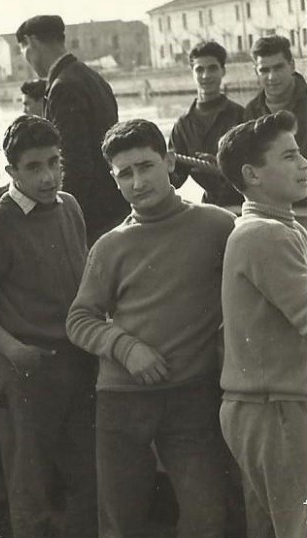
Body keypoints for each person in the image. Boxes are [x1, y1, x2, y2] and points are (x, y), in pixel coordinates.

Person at [66, 119, 236, 538]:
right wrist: (126, 348)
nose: (138, 182)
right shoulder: (110, 246)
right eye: (125, 173)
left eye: (146, 166)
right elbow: (80, 318)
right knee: (121, 520)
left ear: (170, 162)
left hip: (191, 397)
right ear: (114, 179)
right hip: (122, 400)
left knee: (208, 518)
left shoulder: (218, 226)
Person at [0, 115, 97, 538]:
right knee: (29, 487)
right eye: (34, 167)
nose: (49, 176)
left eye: (55, 162)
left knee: (88, 477)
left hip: (79, 361)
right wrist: (13, 350)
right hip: (29, 371)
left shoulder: (69, 206)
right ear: (12, 171)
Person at [216, 110, 307, 538]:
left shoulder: (279, 227)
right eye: (289, 156)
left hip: (270, 404)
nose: (304, 163)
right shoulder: (264, 234)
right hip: (274, 409)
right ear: (252, 174)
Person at [17, 15, 129, 244]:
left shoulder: (63, 87)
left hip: (90, 215)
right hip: (114, 203)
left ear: (32, 42)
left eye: (24, 51)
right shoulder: (92, 77)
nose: (28, 60)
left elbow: (74, 163)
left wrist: (61, 217)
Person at [169, 41, 245, 207]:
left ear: (223, 71)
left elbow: (256, 169)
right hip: (210, 207)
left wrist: (222, 167)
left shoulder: (241, 115)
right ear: (192, 73)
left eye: (212, 68)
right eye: (199, 69)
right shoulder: (183, 125)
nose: (206, 75)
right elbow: (175, 178)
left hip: (244, 206)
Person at [245, 35, 307, 216]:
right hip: (272, 209)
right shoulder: (250, 112)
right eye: (264, 70)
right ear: (256, 71)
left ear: (292, 65)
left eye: (278, 67)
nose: (272, 77)